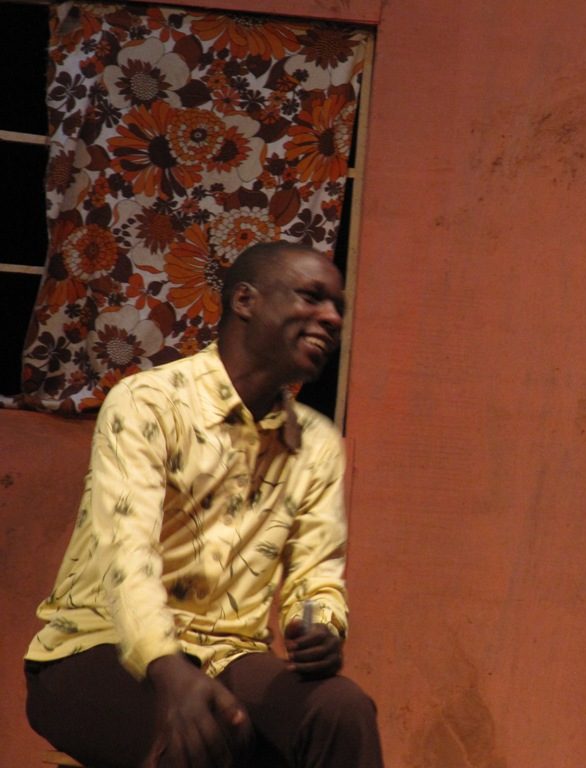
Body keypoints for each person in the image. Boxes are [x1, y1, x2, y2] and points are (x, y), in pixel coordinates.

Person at [24, 241, 383, 768]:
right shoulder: (149, 403)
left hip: (229, 653)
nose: (331, 318)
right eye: (312, 298)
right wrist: (167, 669)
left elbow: (316, 573)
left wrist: (321, 625)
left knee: (341, 709)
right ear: (245, 301)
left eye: (338, 309)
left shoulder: (316, 443)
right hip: (98, 647)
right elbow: (128, 559)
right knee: (201, 738)